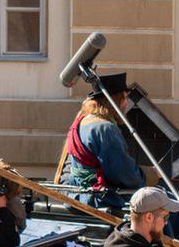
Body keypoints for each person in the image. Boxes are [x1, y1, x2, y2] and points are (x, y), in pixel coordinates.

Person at [59, 71, 146, 211]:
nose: (126, 103)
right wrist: (149, 175)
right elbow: (123, 174)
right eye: (125, 98)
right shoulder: (105, 129)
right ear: (116, 100)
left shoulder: (82, 123)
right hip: (99, 200)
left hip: (78, 197)